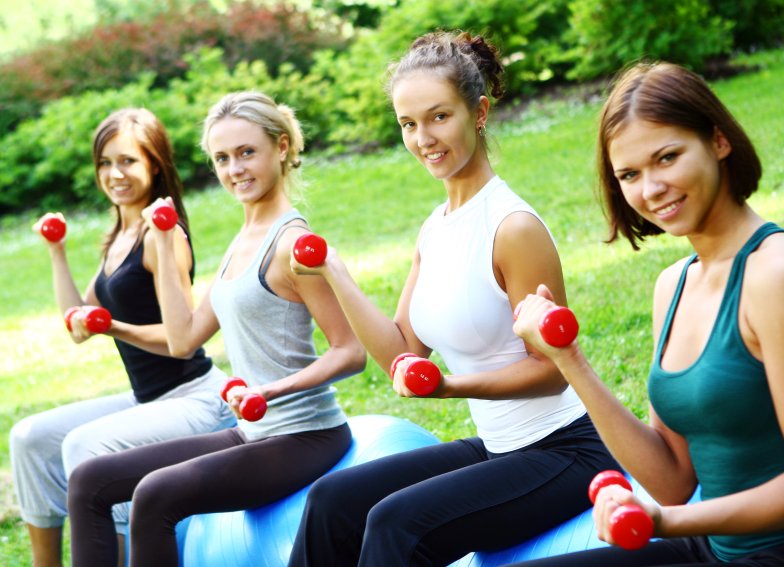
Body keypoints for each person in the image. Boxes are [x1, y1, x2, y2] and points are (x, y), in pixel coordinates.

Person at [286, 31, 618, 567]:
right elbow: (403, 354)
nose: (423, 138)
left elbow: (555, 370)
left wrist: (451, 388)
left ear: (479, 111)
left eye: (439, 117)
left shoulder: (512, 228)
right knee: (333, 501)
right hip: (499, 446)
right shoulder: (435, 229)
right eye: (408, 124)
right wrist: (335, 273)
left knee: (395, 525)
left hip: (567, 449)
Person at [509, 62, 784, 566]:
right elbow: (672, 481)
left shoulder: (779, 273)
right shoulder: (673, 285)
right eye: (629, 174)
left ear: (718, 141)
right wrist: (568, 359)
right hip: (714, 546)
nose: (651, 189)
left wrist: (662, 523)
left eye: (667, 158)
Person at [66, 91, 366, 566]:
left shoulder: (293, 243)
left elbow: (350, 352)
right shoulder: (241, 241)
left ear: (282, 147)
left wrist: (271, 391)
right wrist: (161, 245)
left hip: (305, 435)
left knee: (155, 495)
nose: (235, 169)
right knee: (90, 480)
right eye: (222, 158)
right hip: (253, 430)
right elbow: (183, 339)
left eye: (247, 152)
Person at [11, 108, 235, 567]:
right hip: (149, 398)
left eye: (128, 161)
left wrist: (113, 326)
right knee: (29, 436)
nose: (115, 174)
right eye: (106, 162)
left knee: (82, 445)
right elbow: (78, 325)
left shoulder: (162, 235)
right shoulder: (119, 235)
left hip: (196, 399)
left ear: (154, 165)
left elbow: (184, 338)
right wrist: (57, 253)